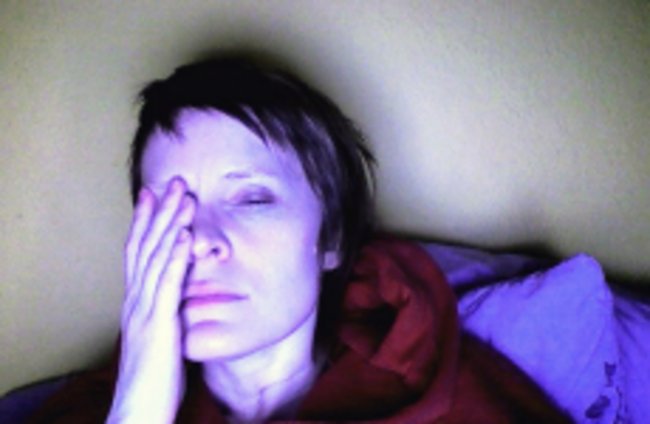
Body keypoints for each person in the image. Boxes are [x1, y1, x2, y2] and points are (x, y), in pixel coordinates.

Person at [28, 58, 571, 423]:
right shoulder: (90, 407)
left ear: (331, 237)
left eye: (252, 199)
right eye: (172, 208)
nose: (198, 241)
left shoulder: (463, 402)